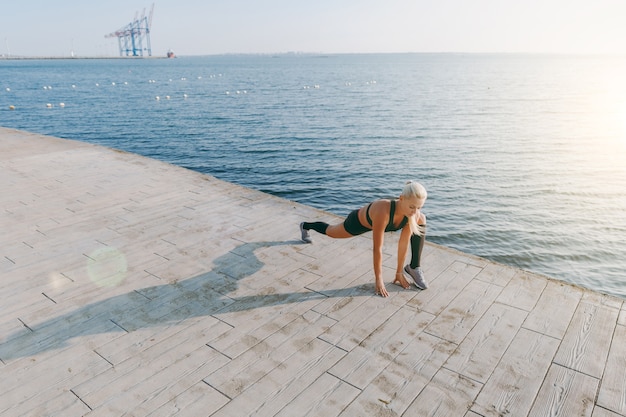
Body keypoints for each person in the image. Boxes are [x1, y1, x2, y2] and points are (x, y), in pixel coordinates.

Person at [299, 181, 428, 297]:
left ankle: (414, 267)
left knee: (422, 219)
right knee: (331, 232)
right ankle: (305, 226)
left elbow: (403, 244)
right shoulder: (383, 210)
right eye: (412, 207)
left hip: (377, 221)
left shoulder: (412, 214)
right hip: (357, 222)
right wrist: (379, 279)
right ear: (401, 198)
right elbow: (377, 248)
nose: (415, 211)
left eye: (419, 207)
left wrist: (399, 273)